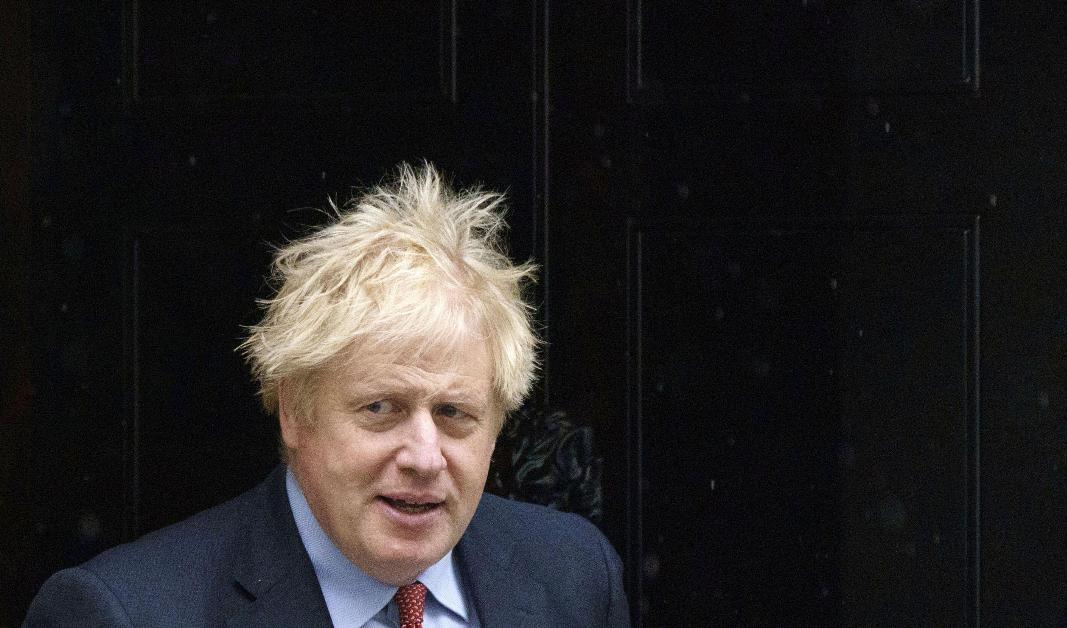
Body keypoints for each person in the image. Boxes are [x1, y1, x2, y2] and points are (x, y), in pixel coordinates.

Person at [24, 164, 630, 627]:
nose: (424, 456)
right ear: (294, 410)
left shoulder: (574, 577)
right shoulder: (124, 614)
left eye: (454, 414)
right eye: (380, 409)